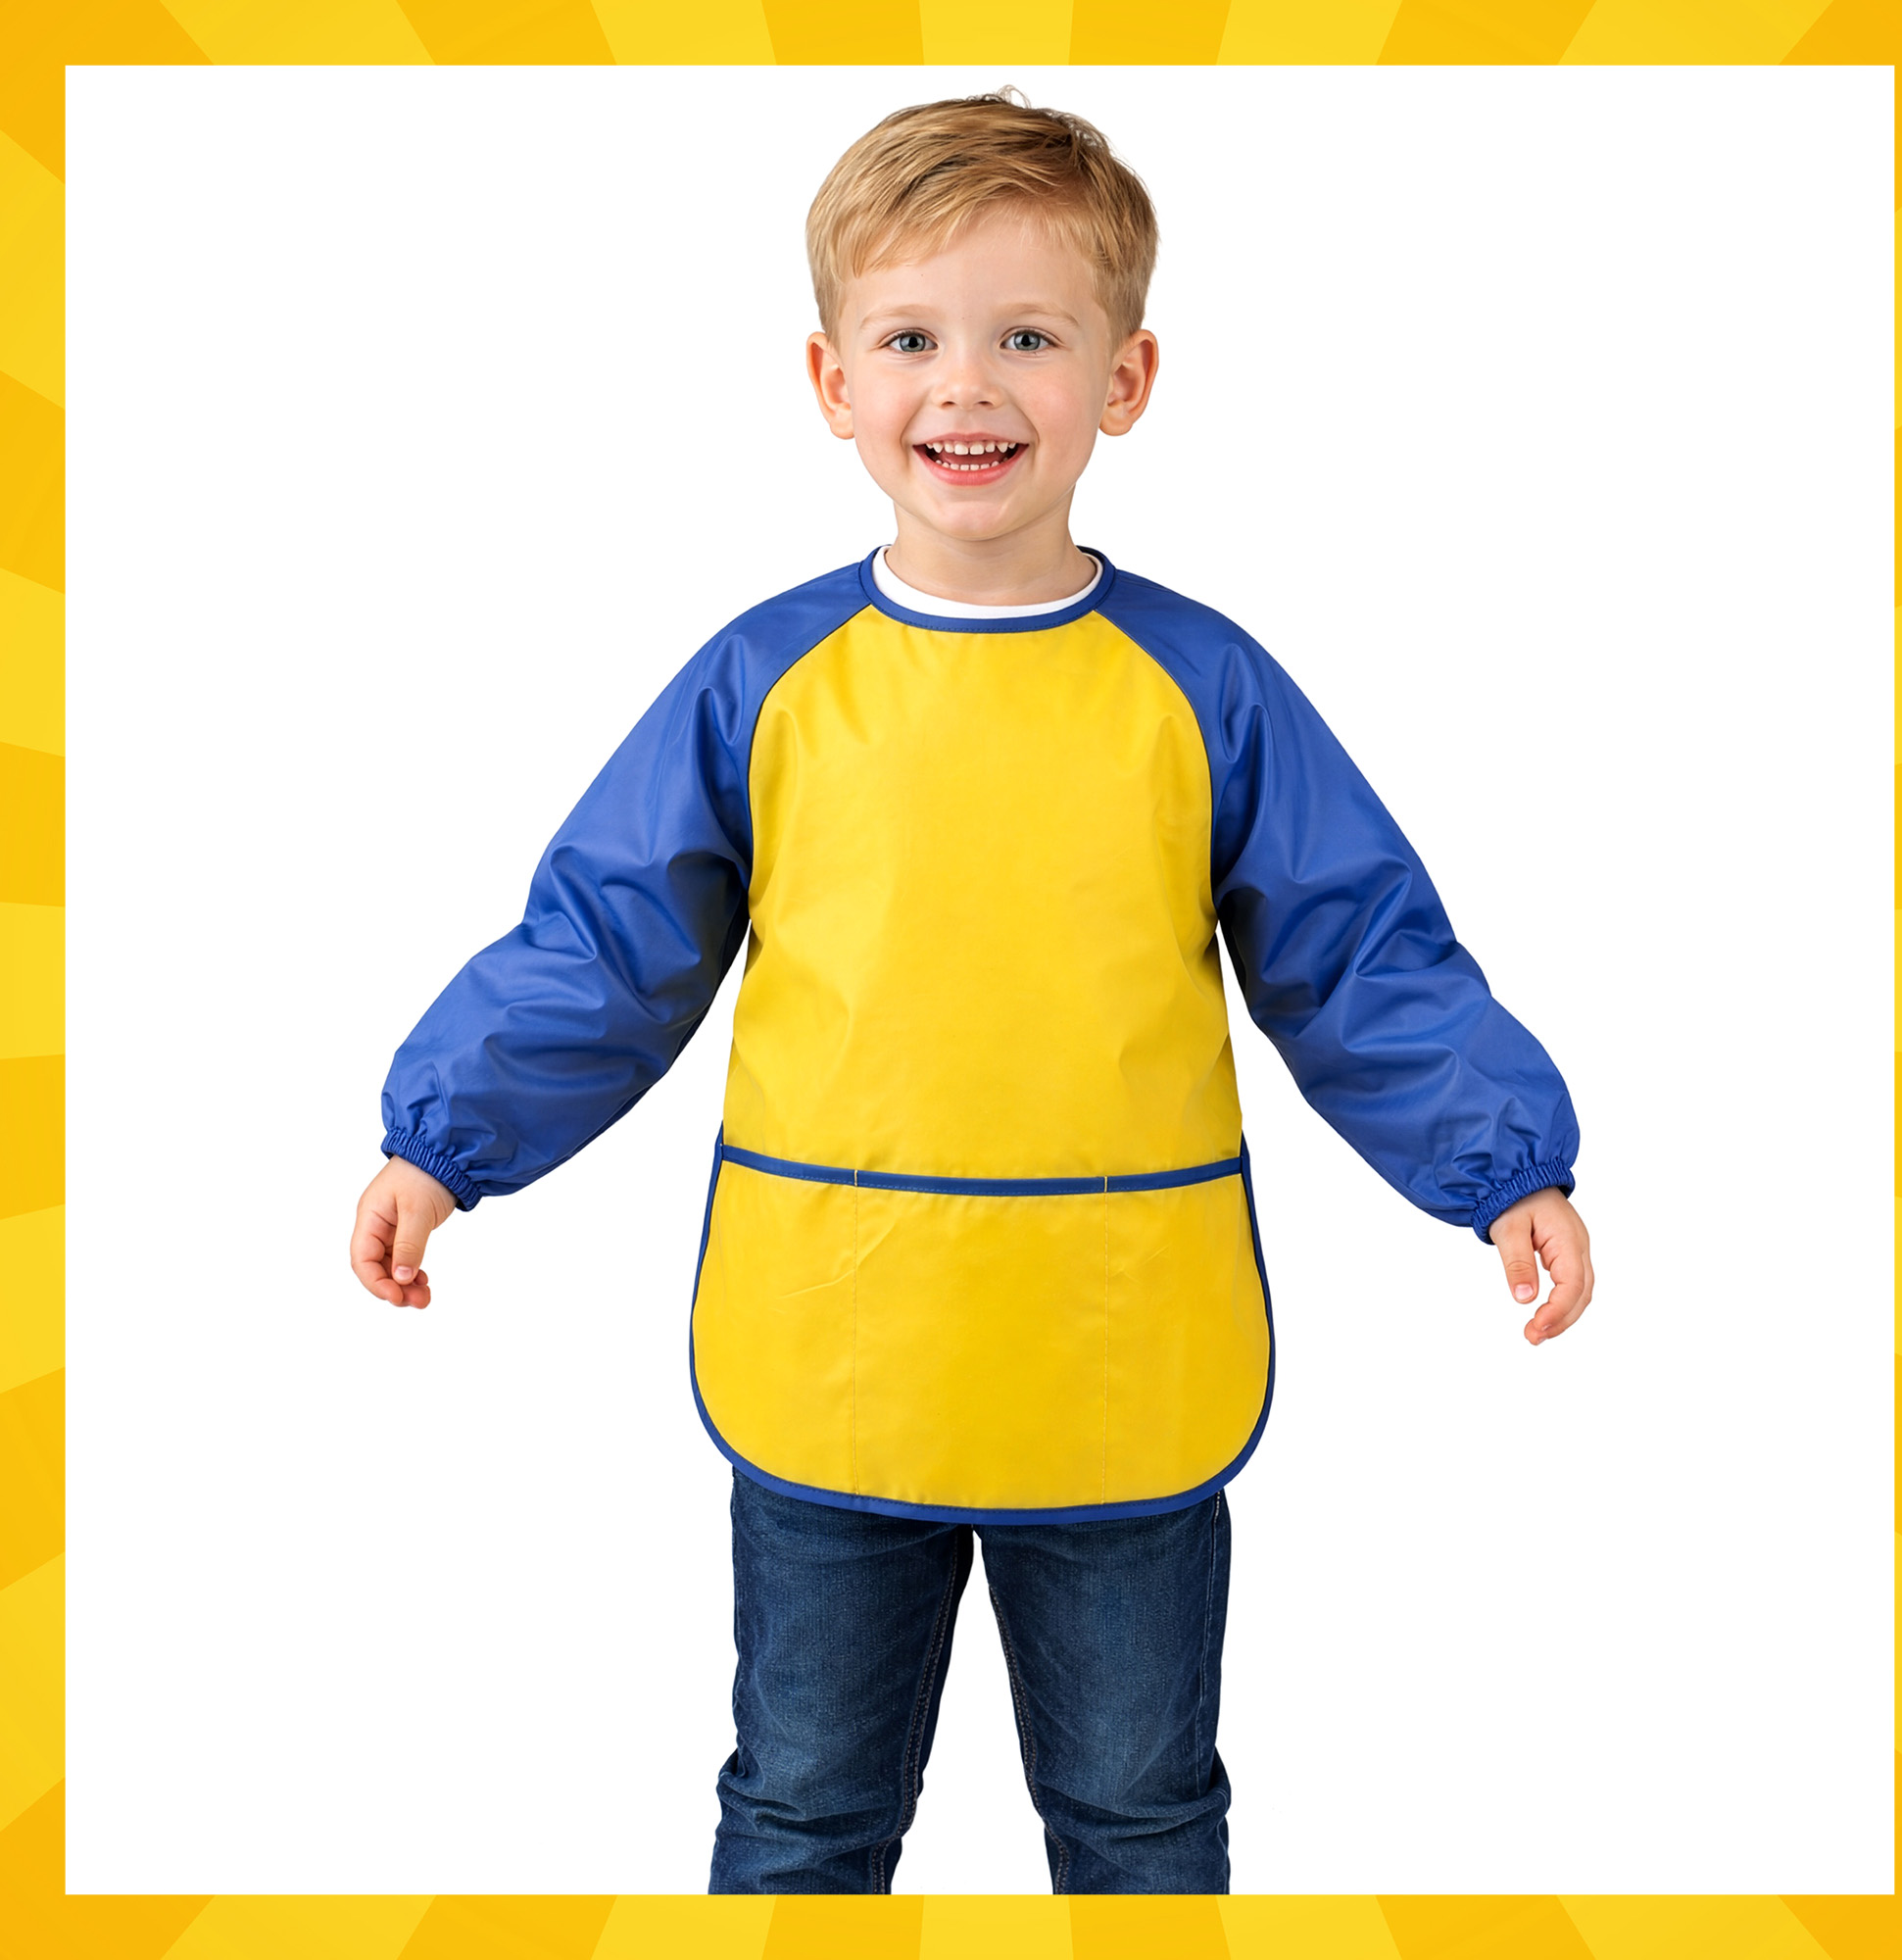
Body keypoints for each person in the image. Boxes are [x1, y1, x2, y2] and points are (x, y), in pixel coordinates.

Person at [348, 90, 1593, 1896]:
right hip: (840, 1354)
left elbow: (1358, 954)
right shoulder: (768, 680)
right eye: (913, 339)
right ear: (830, 379)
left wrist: (1504, 1163)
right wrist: (443, 1143)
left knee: (1141, 1818)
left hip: (1118, 1363)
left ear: (1126, 377)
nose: (968, 386)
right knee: (804, 1813)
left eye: (1028, 337)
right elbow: (607, 942)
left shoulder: (1204, 687)